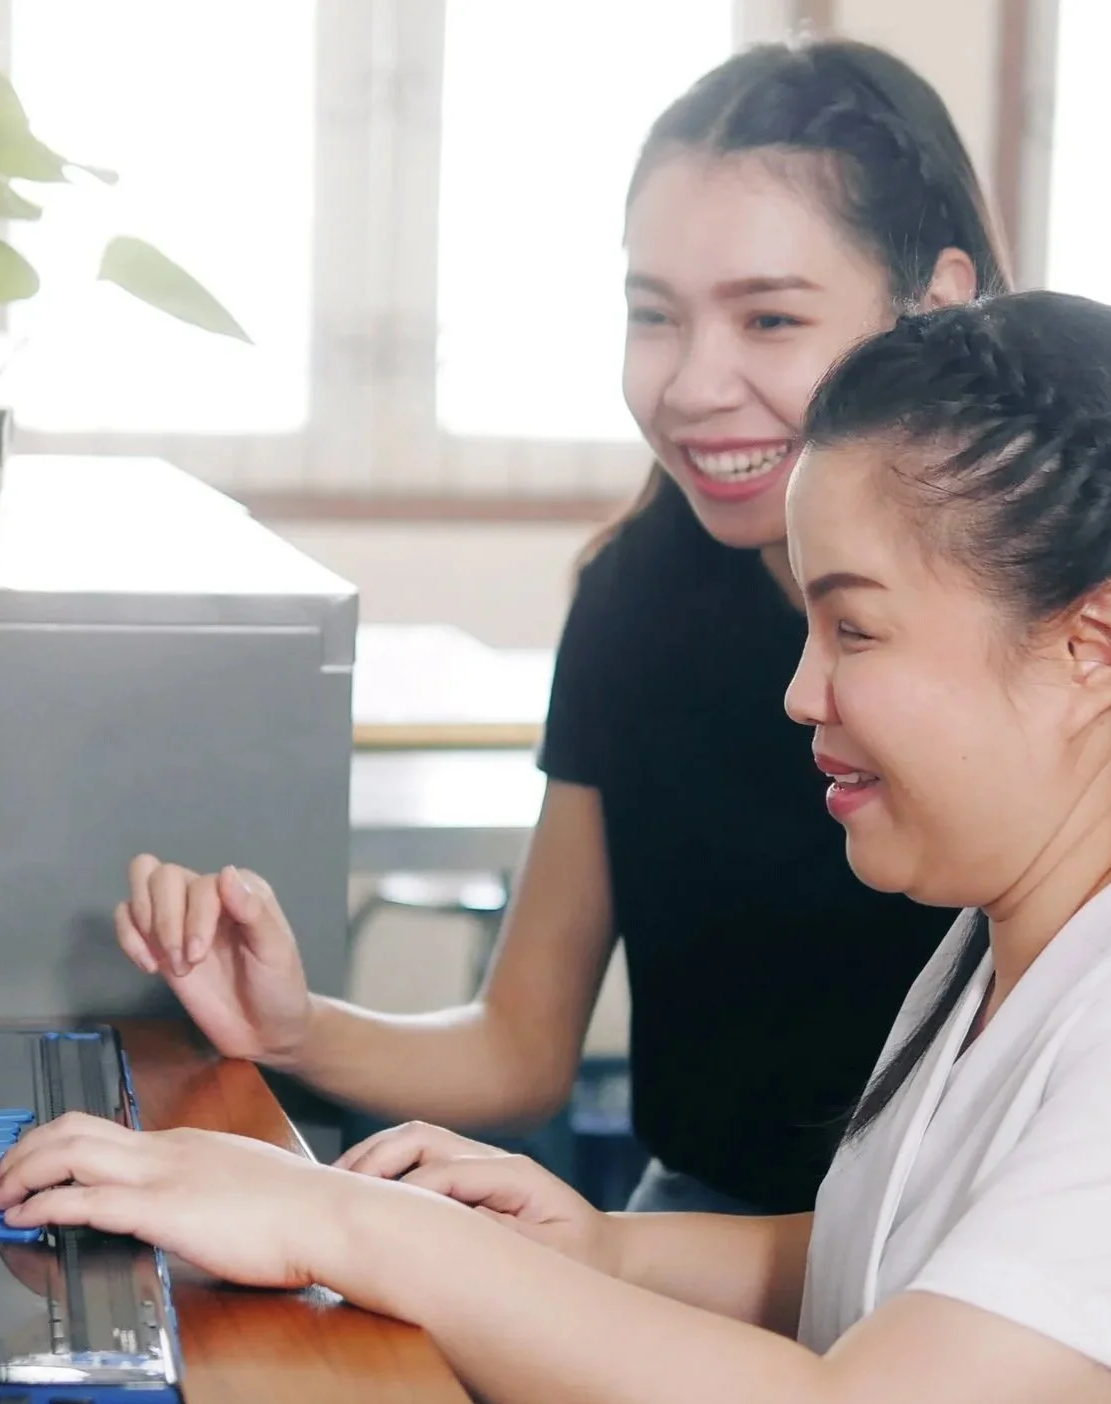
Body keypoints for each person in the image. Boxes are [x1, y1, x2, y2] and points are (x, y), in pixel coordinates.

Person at [0, 290, 1111, 1404]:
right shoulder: (1005, 924)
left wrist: (351, 1226)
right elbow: (933, 1261)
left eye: (853, 631)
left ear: (1089, 649)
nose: (799, 691)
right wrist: (601, 1249)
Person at [106, 39, 1010, 1216]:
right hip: (701, 1217)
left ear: (931, 306)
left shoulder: (1047, 626)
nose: (692, 384)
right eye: (654, 316)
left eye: (771, 319)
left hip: (966, 1262)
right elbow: (519, 1046)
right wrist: (287, 1022)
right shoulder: (638, 596)